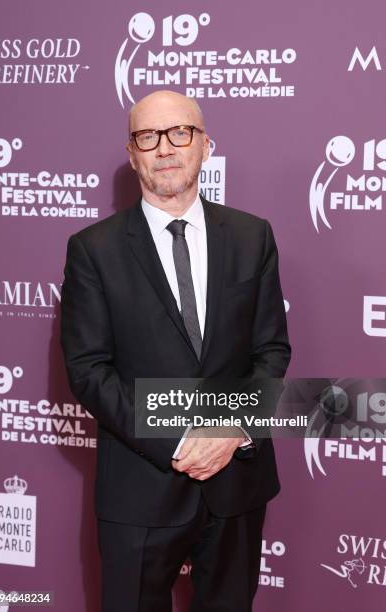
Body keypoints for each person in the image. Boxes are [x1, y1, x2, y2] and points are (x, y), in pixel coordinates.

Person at [60, 90, 291, 612]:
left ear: (205, 145)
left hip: (236, 483)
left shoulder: (252, 237)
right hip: (141, 487)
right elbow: (89, 371)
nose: (165, 147)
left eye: (179, 133)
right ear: (132, 151)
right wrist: (181, 438)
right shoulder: (93, 250)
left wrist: (227, 431)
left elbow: (271, 350)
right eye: (148, 136)